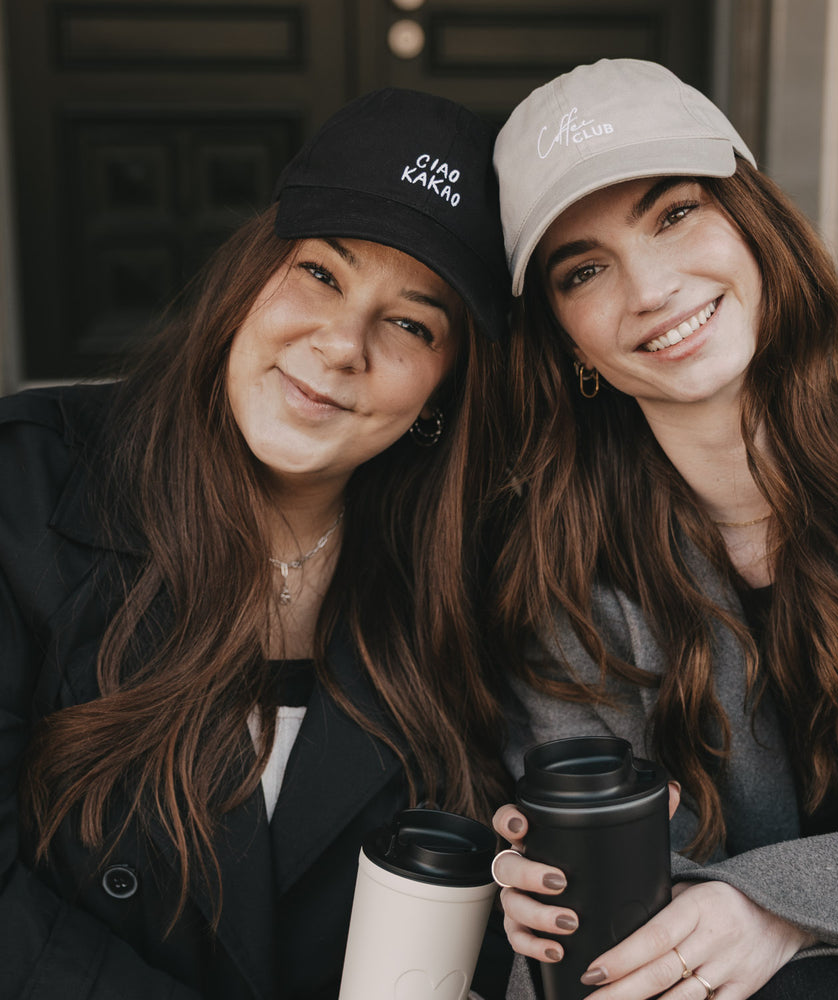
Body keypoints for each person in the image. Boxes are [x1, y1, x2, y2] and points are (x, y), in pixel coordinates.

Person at [486, 58, 838, 1000]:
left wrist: (774, 907)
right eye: (584, 269)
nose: (651, 289)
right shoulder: (563, 568)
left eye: (675, 213)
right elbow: (619, 917)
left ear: (755, 219)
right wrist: (554, 895)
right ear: (565, 340)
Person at [1, 88, 515, 998]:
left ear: (444, 390)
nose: (341, 343)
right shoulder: (25, 484)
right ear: (250, 271)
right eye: (322, 272)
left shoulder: (474, 577)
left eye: (411, 323)